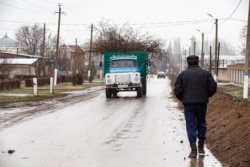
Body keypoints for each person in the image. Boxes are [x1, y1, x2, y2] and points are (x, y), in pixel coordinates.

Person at [174, 55, 217, 158]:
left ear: (187, 63)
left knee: (190, 125)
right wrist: (206, 95)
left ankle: (193, 150)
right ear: (198, 62)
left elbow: (177, 90)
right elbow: (213, 87)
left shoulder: (183, 75)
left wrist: (183, 98)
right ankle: (201, 147)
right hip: (202, 103)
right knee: (201, 123)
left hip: (188, 104)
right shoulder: (206, 74)